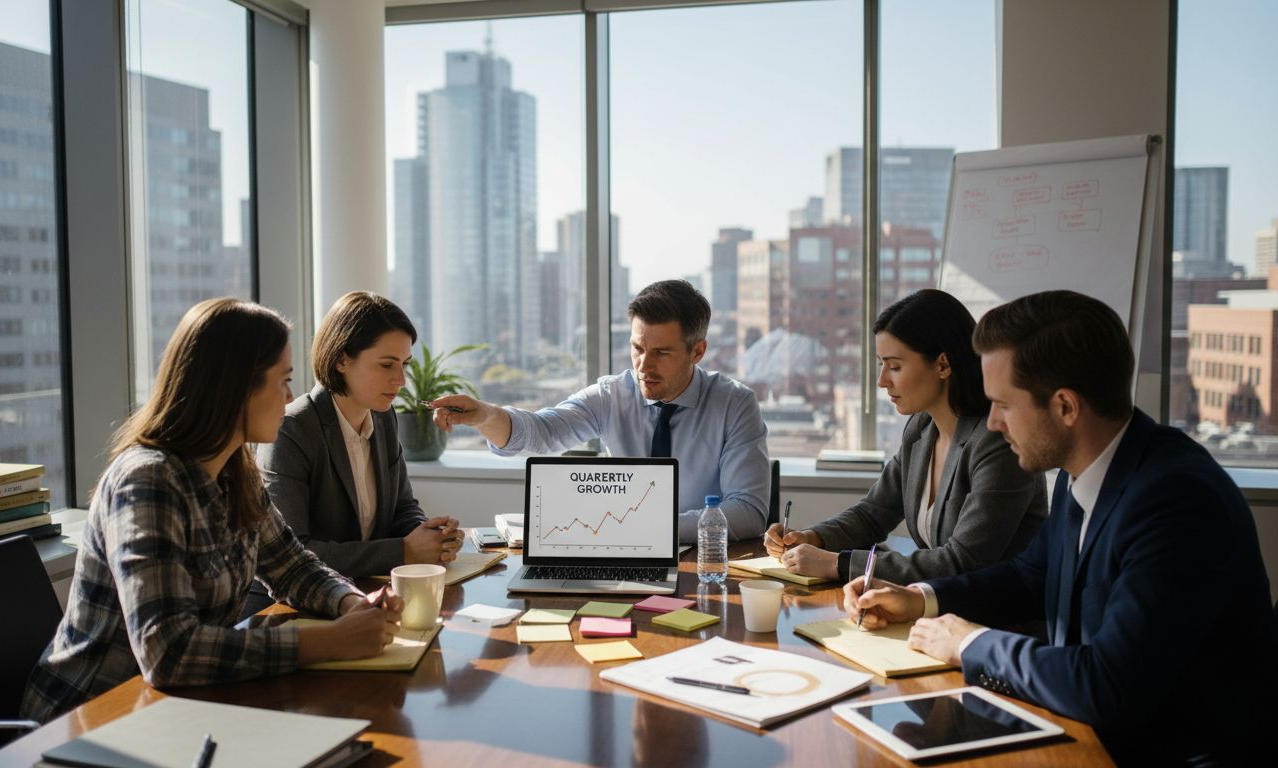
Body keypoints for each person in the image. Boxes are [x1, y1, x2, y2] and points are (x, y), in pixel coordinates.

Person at [844, 290, 1274, 764]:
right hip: (1088, 732)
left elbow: (1106, 683)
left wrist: (967, 642)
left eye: (1003, 404)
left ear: (1066, 407)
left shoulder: (1176, 503)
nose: (992, 422)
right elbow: (1029, 575)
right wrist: (920, 598)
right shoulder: (1084, 471)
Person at [22, 299, 404, 723]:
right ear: (236, 388)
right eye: (283, 380)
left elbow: (291, 565)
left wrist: (351, 604)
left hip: (173, 709)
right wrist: (328, 643)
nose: (291, 396)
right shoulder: (148, 481)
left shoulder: (234, 471)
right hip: (89, 717)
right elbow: (167, 650)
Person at [432, 279, 770, 543]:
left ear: (697, 351)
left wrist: (651, 528)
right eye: (637, 348)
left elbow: (748, 511)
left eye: (662, 353)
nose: (643, 366)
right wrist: (486, 416)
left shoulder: (734, 404)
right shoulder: (612, 395)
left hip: (703, 562)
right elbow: (544, 434)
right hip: (623, 550)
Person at [764, 289, 1046, 583]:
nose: (882, 381)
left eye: (895, 366)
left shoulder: (998, 441)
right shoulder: (921, 429)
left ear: (943, 365)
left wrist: (838, 564)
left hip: (996, 619)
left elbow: (963, 561)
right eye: (881, 364)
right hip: (934, 609)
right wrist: (813, 537)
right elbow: (873, 513)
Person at [257, 291, 461, 586]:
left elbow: (402, 509)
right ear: (342, 360)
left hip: (365, 591)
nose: (401, 381)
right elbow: (295, 553)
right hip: (291, 606)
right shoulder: (290, 429)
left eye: (404, 365)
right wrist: (404, 550)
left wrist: (429, 535)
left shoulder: (384, 417)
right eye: (387, 364)